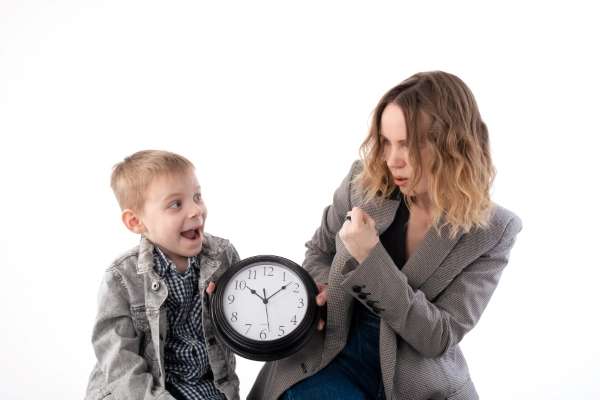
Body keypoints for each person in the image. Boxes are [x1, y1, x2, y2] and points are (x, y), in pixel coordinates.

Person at [248, 71, 522, 400]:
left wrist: (370, 257)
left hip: (417, 380)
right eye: (387, 142)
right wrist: (322, 290)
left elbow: (439, 335)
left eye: (408, 145)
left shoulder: (493, 230)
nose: (393, 160)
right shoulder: (363, 183)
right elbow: (319, 251)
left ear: (451, 144)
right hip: (335, 354)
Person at [85, 150, 240, 400]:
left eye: (197, 197)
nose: (195, 211)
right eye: (176, 204)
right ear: (136, 222)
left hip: (205, 387)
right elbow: (119, 363)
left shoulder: (222, 256)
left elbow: (246, 322)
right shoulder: (122, 277)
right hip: (141, 391)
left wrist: (230, 306)